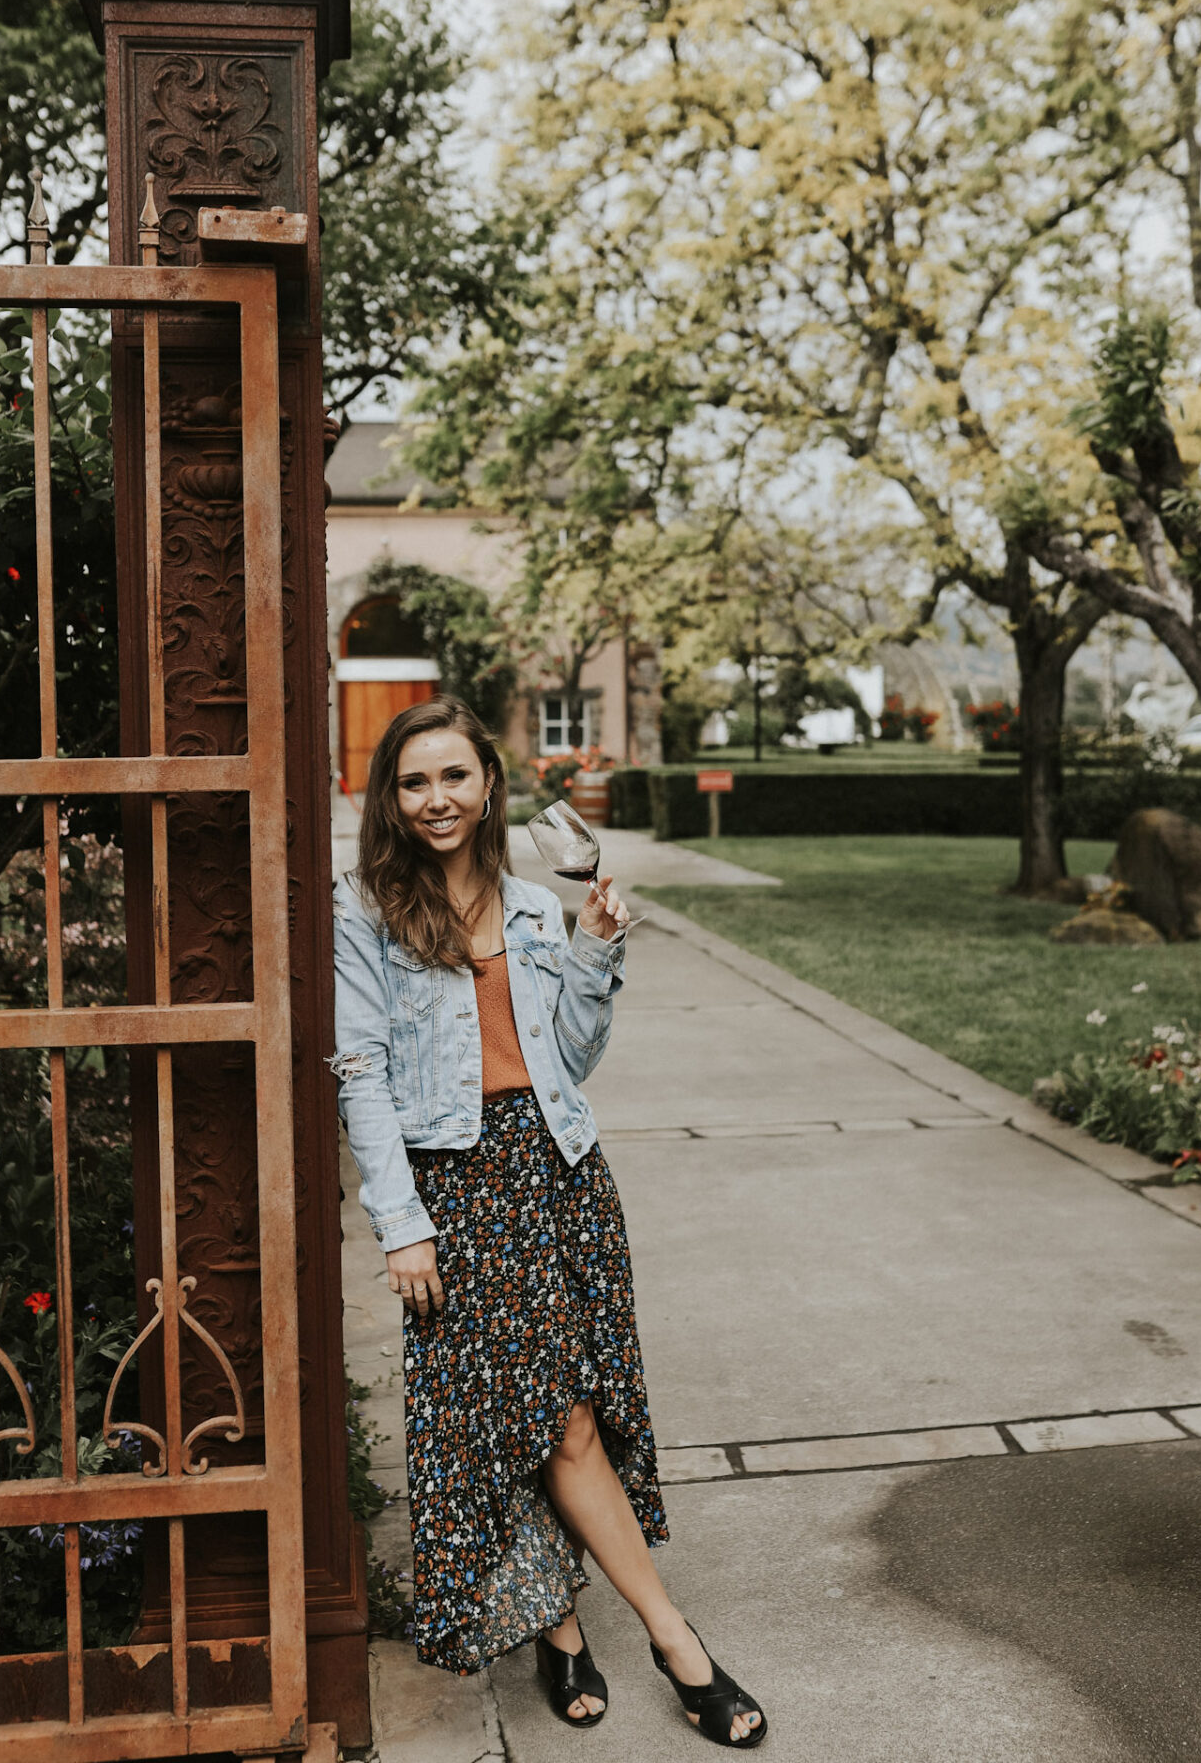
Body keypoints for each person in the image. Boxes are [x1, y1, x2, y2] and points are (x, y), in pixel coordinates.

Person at [329, 697, 766, 1745]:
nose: (436, 800)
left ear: (488, 786)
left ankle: (560, 1633)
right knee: (544, 1421)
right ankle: (674, 1642)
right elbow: (359, 1070)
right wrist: (401, 1222)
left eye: (453, 778)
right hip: (459, 1189)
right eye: (413, 781)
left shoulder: (528, 905)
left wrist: (595, 946)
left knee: (563, 1411)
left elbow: (564, 1057)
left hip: (559, 1173)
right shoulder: (367, 910)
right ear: (392, 798)